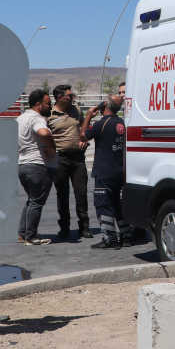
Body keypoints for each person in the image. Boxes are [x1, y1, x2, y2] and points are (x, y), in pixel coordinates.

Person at [84, 94, 131, 248]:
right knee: (117, 203)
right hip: (119, 171)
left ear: (105, 105)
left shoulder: (101, 124)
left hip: (104, 171)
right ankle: (126, 235)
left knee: (103, 204)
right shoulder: (121, 123)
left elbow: (83, 135)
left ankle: (109, 238)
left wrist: (88, 116)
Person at [47, 84, 90, 241]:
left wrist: (84, 139)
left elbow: (84, 127)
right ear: (59, 97)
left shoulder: (76, 110)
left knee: (81, 193)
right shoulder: (50, 114)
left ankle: (84, 227)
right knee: (62, 195)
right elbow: (44, 137)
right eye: (69, 95)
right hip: (60, 159)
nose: (72, 98)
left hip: (78, 158)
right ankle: (64, 228)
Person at [16, 89, 56, 245]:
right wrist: (51, 145)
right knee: (37, 202)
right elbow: (44, 133)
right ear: (38, 104)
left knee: (32, 200)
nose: (50, 106)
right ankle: (31, 237)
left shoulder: (20, 118)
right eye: (48, 103)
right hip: (37, 165)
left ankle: (22, 233)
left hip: (23, 164)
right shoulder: (37, 118)